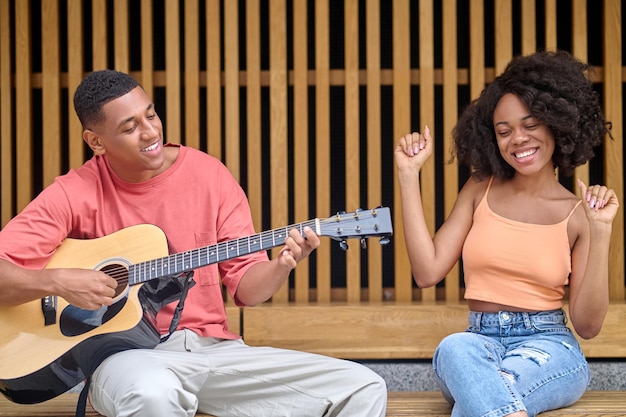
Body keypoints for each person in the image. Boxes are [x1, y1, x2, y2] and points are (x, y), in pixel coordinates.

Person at [0, 69, 387, 417]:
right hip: (127, 360)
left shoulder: (208, 175)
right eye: (130, 127)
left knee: (361, 386)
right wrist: (58, 281)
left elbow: (247, 289)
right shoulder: (73, 192)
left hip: (215, 352)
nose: (151, 132)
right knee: (153, 394)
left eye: (151, 114)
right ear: (96, 141)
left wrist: (282, 264)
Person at [394, 50, 619, 417]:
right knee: (453, 349)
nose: (518, 139)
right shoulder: (479, 188)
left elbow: (588, 326)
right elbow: (427, 271)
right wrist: (408, 175)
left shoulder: (579, 215)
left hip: (550, 349)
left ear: (556, 124)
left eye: (530, 125)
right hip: (477, 344)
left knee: (483, 393)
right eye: (504, 131)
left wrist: (602, 231)